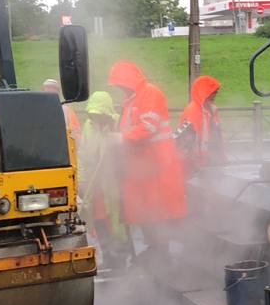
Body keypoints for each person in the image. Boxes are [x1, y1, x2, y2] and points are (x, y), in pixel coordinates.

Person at [107, 59, 187, 254]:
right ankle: (155, 250)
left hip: (157, 164)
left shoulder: (150, 93)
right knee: (146, 212)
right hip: (142, 167)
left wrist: (121, 137)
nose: (120, 89)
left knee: (157, 212)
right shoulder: (133, 99)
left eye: (121, 85)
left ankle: (160, 253)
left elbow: (148, 127)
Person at [78, 91, 131, 267]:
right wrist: (83, 182)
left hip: (113, 183)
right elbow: (84, 154)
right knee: (98, 219)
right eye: (94, 115)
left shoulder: (116, 125)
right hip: (95, 184)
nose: (97, 119)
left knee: (116, 221)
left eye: (100, 115)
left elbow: (127, 152)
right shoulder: (88, 126)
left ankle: (121, 256)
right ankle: (108, 256)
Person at [175, 74, 224, 174]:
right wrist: (194, 163)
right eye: (213, 92)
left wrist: (221, 156)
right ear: (205, 92)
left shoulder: (211, 109)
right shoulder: (192, 111)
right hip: (196, 165)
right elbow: (185, 142)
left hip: (211, 160)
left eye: (216, 92)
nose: (215, 95)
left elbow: (217, 134)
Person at [44, 78, 81, 147]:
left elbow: (77, 136)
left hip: (64, 152)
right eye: (47, 89)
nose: (49, 91)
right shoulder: (39, 111)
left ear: (58, 93)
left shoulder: (68, 112)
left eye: (52, 89)